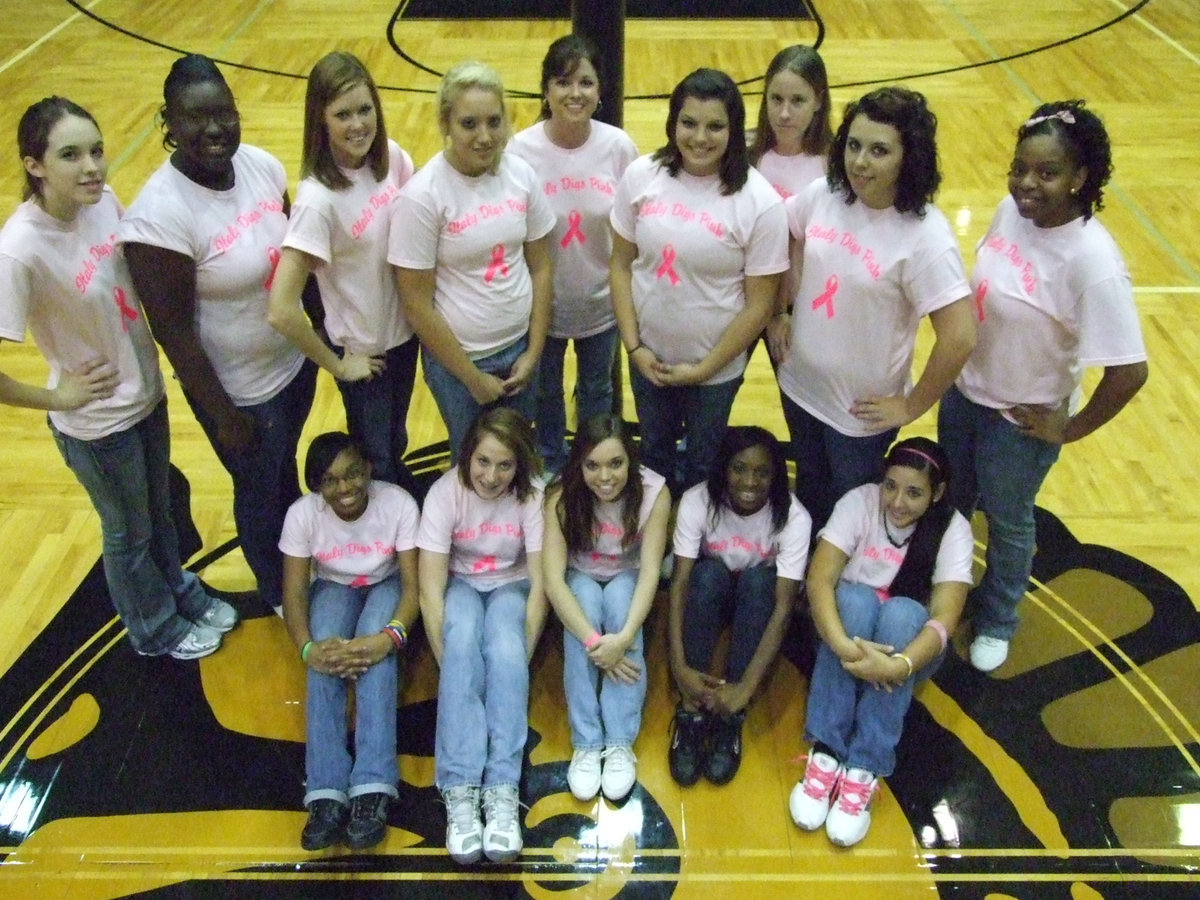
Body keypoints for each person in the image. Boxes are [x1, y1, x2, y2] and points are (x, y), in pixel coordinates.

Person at [0, 96, 237, 660]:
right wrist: (57, 395)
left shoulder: (103, 202)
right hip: (97, 425)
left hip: (146, 397)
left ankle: (177, 589)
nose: (92, 167)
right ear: (34, 165)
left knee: (160, 513)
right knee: (128, 534)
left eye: (96, 151)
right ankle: (153, 628)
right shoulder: (19, 250)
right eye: (70, 155)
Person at [937, 100, 1148, 673]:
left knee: (1008, 521)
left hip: (1019, 423)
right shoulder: (1011, 210)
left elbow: (1130, 372)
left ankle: (1000, 615)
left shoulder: (1093, 261)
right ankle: (945, 591)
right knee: (953, 501)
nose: (1027, 183)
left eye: (1047, 173)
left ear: (1081, 178)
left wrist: (1068, 428)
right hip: (964, 396)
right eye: (1020, 167)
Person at [119, 54, 317, 614]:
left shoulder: (259, 165)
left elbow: (294, 258)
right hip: (239, 396)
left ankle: (297, 563)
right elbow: (174, 335)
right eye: (194, 118)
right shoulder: (159, 217)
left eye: (223, 114)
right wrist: (224, 417)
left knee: (282, 476)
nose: (213, 130)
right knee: (258, 493)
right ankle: (280, 594)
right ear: (168, 125)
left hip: (291, 369)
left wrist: (321, 340)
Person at [767, 87, 976, 535]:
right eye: (854, 146)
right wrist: (779, 311)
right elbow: (787, 233)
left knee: (848, 518)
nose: (860, 162)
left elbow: (960, 336)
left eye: (879, 150)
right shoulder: (825, 193)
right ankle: (803, 584)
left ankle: (835, 591)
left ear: (909, 157)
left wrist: (912, 405)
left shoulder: (926, 236)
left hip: (859, 419)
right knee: (809, 494)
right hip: (800, 387)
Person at [611, 67, 788, 494]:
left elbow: (759, 306)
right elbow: (619, 265)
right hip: (649, 361)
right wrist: (634, 348)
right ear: (672, 123)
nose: (700, 138)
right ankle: (657, 540)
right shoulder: (640, 176)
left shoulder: (760, 203)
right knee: (652, 454)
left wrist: (704, 369)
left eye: (715, 126)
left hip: (715, 372)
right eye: (688, 123)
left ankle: (690, 548)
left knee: (703, 462)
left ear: (734, 129)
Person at [788, 437, 972, 847]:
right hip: (846, 637)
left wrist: (899, 666)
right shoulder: (859, 502)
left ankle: (864, 767)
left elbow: (945, 617)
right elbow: (819, 579)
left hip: (906, 649)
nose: (897, 502)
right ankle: (828, 753)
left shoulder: (952, 529)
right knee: (852, 598)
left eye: (914, 492)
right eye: (891, 486)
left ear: (937, 493)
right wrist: (842, 646)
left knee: (905, 612)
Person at [268, 51, 419, 494]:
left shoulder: (391, 158)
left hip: (404, 340)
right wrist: (336, 364)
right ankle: (388, 553)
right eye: (342, 114)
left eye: (365, 109)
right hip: (365, 355)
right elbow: (280, 308)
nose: (358, 124)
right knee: (378, 460)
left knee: (395, 442)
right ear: (321, 121)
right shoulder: (317, 200)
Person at [390, 61, 555, 463]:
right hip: (458, 367)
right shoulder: (423, 196)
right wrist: (471, 377)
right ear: (445, 123)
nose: (484, 137)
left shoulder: (521, 176)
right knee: (473, 465)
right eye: (469, 124)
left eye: (494, 122)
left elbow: (541, 266)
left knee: (517, 459)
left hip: (519, 355)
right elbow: (415, 304)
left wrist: (533, 351)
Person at [417, 408, 546, 864]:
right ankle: (460, 789)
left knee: (507, 651)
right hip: (460, 584)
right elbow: (430, 590)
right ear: (468, 454)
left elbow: (540, 585)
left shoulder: (533, 497)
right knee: (463, 642)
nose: (491, 476)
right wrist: (453, 658)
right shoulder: (443, 494)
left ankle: (502, 790)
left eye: (505, 465)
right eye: (483, 462)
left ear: (520, 465)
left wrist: (516, 658)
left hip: (512, 586)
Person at [279, 433, 419, 852]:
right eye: (330, 480)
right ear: (317, 486)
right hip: (334, 587)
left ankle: (372, 785)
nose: (345, 488)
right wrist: (307, 648)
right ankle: (324, 791)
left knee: (373, 657)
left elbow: (414, 588)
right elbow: (295, 593)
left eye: (353, 474)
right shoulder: (302, 516)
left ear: (369, 470)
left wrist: (389, 637)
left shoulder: (398, 504)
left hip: (387, 583)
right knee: (326, 653)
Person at [508, 35, 638, 474]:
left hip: (601, 307)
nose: (575, 93)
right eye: (563, 82)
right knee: (544, 393)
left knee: (597, 392)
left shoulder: (618, 147)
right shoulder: (520, 151)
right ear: (546, 90)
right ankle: (548, 465)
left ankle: (592, 464)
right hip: (542, 308)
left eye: (586, 82)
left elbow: (633, 228)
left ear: (601, 90)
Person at [667, 426, 809, 787]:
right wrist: (679, 666)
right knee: (707, 575)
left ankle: (731, 715)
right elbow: (679, 583)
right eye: (739, 469)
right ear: (723, 470)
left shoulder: (794, 518)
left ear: (776, 475)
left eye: (762, 472)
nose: (750, 481)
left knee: (760, 582)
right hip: (711, 589)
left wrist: (745, 687)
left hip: (756, 601)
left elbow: (782, 608)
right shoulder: (698, 501)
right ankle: (691, 706)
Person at [542, 415, 670, 802]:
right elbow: (553, 579)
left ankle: (617, 742)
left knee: (618, 604)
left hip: (627, 575)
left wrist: (625, 638)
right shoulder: (560, 495)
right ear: (578, 465)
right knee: (582, 609)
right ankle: (586, 741)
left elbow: (650, 572)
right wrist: (598, 644)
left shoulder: (654, 492)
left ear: (631, 462)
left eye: (616, 464)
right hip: (579, 576)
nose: (605, 477)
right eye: (592, 465)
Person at [750, 44, 832, 199]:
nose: (784, 114)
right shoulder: (746, 158)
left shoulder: (836, 164)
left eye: (797, 100)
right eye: (777, 99)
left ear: (818, 101)